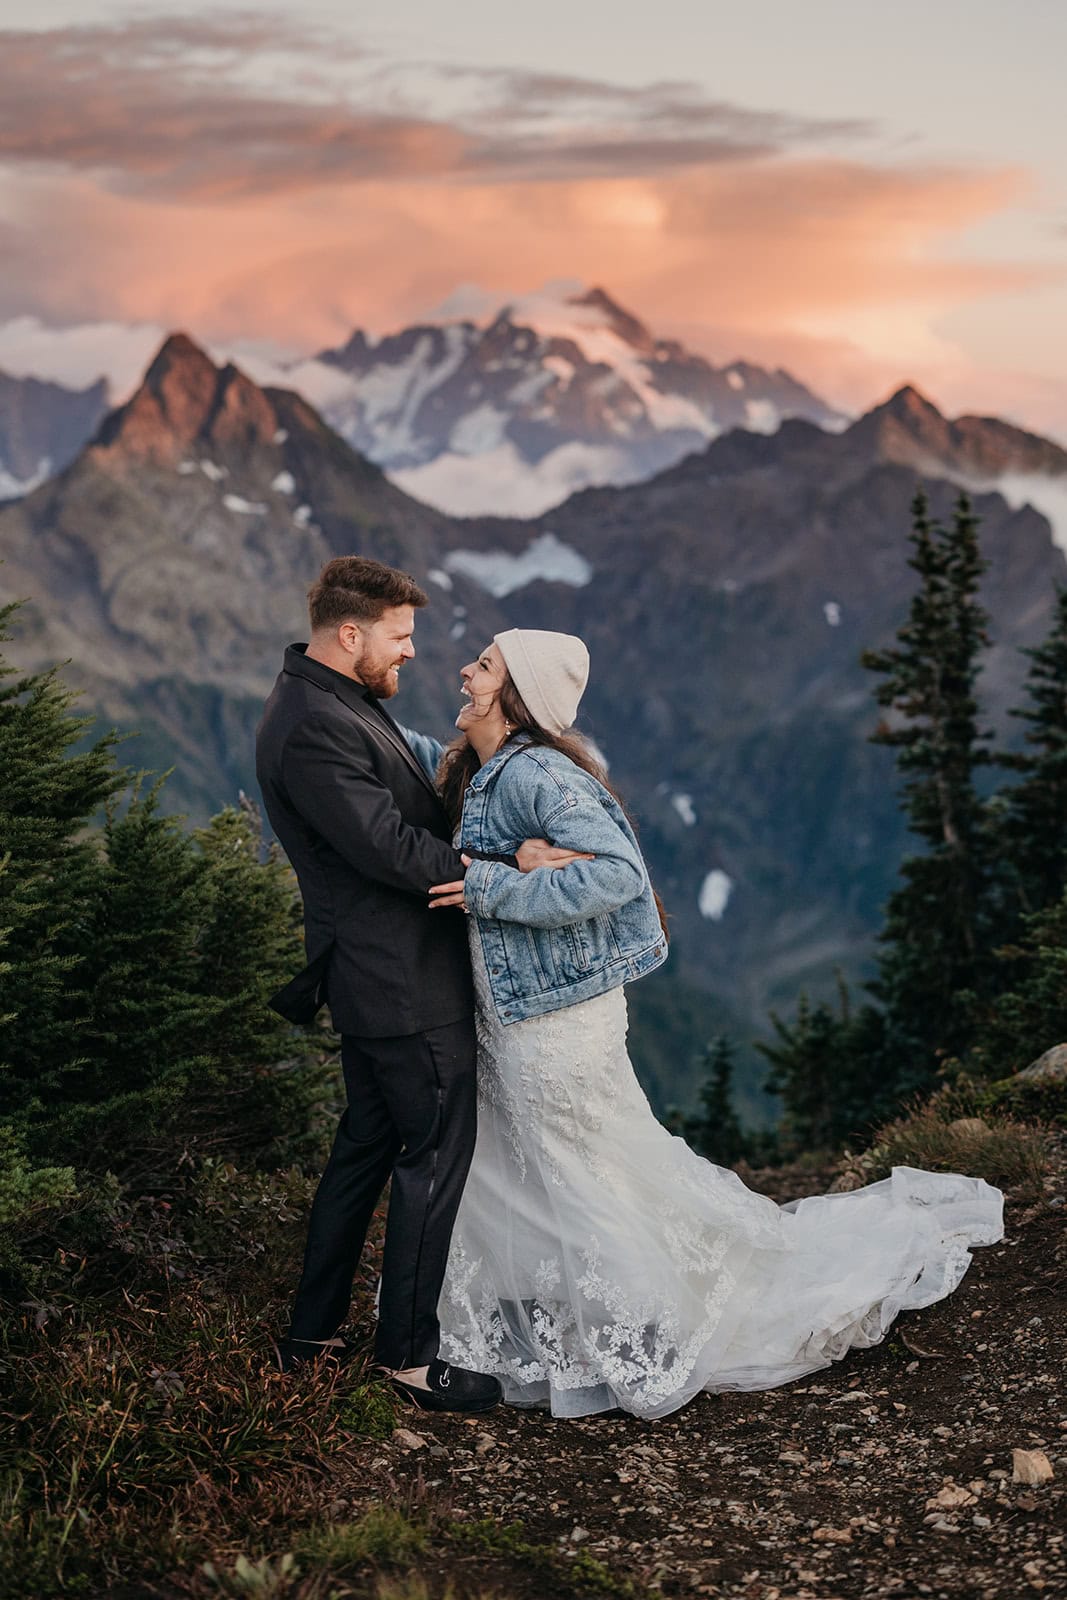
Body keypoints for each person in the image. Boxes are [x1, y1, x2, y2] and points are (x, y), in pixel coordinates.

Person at [420, 629, 1005, 1420]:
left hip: (553, 1021)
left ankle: (650, 1325)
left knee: (580, 1163)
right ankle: (568, 1311)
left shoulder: (540, 775)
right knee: (553, 1158)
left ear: (517, 692)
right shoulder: (481, 767)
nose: (464, 668)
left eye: (484, 664)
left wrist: (494, 886)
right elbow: (405, 755)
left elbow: (619, 877)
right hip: (520, 1010)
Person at [255, 559, 588, 1412]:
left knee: (364, 1151)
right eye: (399, 638)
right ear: (350, 633)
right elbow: (387, 851)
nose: (409, 655)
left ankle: (310, 1337)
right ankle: (406, 1358)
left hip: (382, 977)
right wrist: (503, 860)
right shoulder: (310, 725)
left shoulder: (333, 703)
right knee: (431, 1159)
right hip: (398, 981)